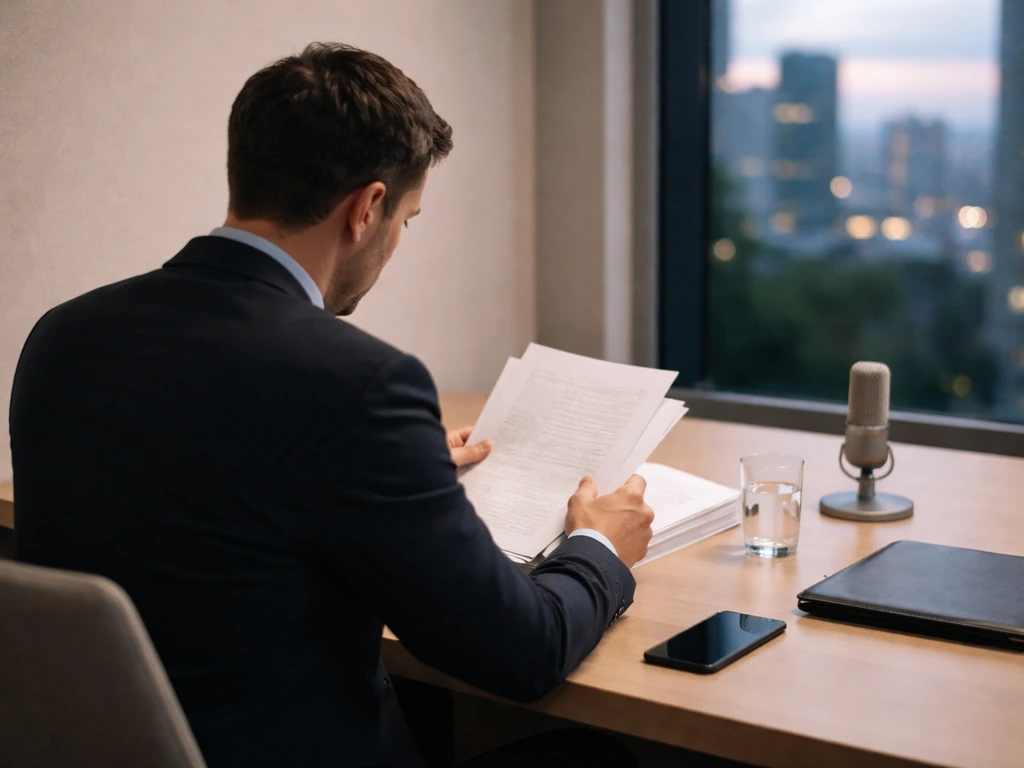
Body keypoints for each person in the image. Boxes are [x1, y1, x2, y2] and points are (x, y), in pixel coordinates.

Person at [9, 43, 653, 768]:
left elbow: (199, 469)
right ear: (367, 208)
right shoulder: (359, 384)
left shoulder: (63, 335)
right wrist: (600, 547)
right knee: (599, 759)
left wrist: (390, 470)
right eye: (407, 220)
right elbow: (523, 654)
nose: (396, 240)